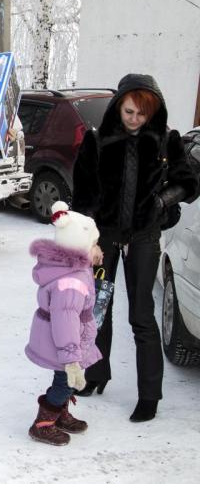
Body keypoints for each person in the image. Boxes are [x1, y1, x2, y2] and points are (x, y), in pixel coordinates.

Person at [72, 73, 198, 422]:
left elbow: (189, 182)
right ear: (118, 106)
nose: (135, 120)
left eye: (142, 114)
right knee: (97, 309)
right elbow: (81, 193)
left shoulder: (166, 140)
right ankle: (95, 374)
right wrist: (90, 237)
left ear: (153, 112)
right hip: (104, 239)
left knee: (141, 315)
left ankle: (149, 395)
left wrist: (160, 202)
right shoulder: (96, 140)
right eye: (129, 112)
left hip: (144, 238)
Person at [25, 201, 103, 446]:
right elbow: (65, 322)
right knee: (65, 382)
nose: (98, 249)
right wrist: (71, 360)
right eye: (94, 244)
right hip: (65, 343)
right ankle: (43, 423)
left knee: (65, 382)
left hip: (68, 340)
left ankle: (60, 413)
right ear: (78, 247)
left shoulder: (74, 267)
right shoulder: (70, 283)